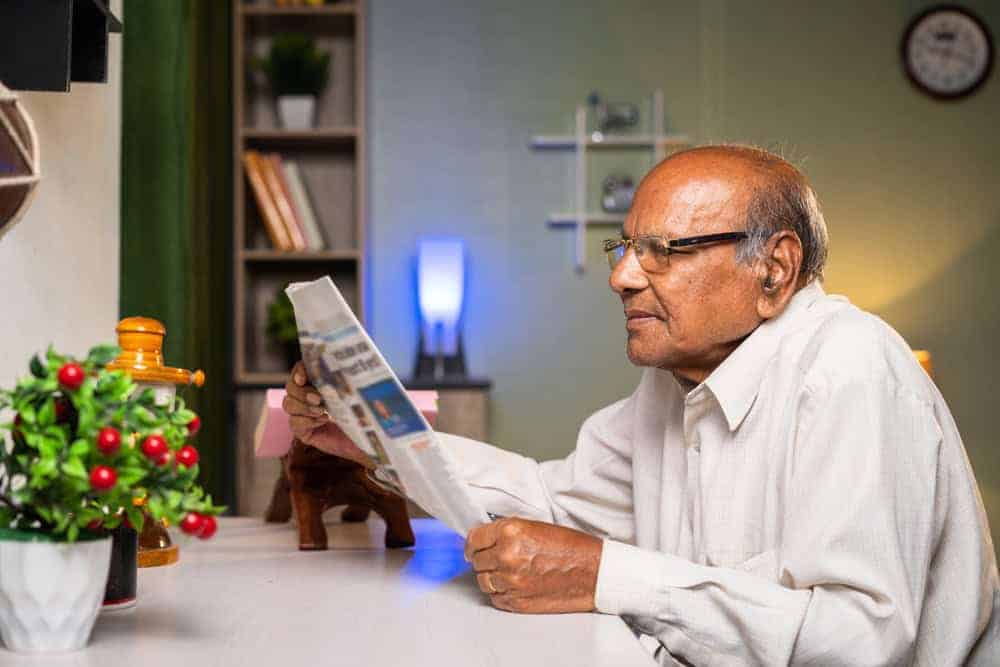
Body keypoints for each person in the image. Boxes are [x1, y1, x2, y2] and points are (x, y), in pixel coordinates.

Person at [283, 145, 998, 665]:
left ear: (774, 269)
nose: (623, 277)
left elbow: (862, 642)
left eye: (666, 250)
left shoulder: (851, 368)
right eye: (625, 248)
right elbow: (550, 498)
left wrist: (603, 573)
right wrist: (368, 436)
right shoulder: (677, 379)